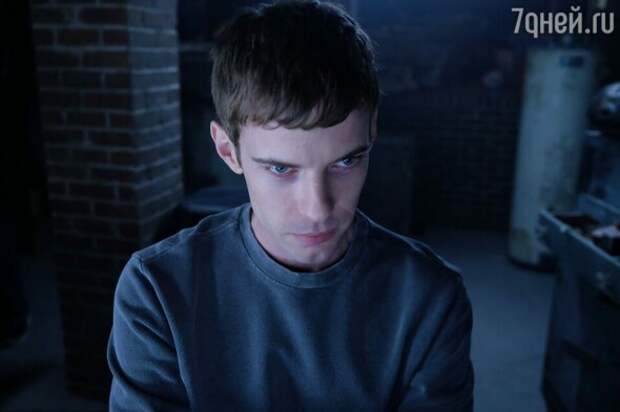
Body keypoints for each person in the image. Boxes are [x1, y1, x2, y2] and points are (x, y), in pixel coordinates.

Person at [107, 1, 474, 410]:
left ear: (372, 133)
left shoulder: (430, 298)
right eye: (281, 168)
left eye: (346, 162)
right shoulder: (156, 290)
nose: (318, 209)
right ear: (228, 150)